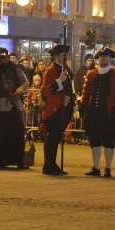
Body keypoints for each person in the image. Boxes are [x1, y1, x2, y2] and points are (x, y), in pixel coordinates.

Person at [80, 47, 115, 177]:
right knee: (94, 140)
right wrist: (83, 104)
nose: (103, 59)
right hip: (94, 112)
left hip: (108, 113)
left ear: (110, 59)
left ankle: (108, 168)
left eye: (105, 57)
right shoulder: (91, 74)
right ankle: (96, 167)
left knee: (108, 141)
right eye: (101, 57)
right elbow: (86, 91)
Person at [0, 47, 28, 168]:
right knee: (0, 133)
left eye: (3, 56)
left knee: (18, 132)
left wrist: (17, 92)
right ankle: (0, 159)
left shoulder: (15, 68)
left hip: (14, 103)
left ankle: (18, 159)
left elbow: (25, 82)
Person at [40, 44, 74, 176]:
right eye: (63, 55)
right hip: (53, 109)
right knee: (52, 138)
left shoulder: (63, 69)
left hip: (62, 109)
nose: (65, 58)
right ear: (56, 57)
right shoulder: (51, 70)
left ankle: (52, 164)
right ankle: (48, 165)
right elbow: (45, 90)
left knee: (56, 138)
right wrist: (59, 81)